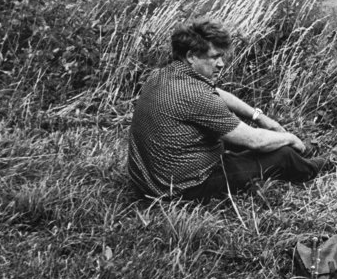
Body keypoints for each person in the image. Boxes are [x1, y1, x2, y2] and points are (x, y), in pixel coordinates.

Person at [127, 20, 325, 200]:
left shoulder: (161, 74)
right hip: (179, 189)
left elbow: (216, 92)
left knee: (241, 140)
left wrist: (259, 117)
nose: (221, 64)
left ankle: (298, 151)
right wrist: (290, 137)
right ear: (191, 56)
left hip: (147, 179)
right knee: (282, 155)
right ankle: (319, 165)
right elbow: (254, 141)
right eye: (215, 57)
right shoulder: (196, 96)